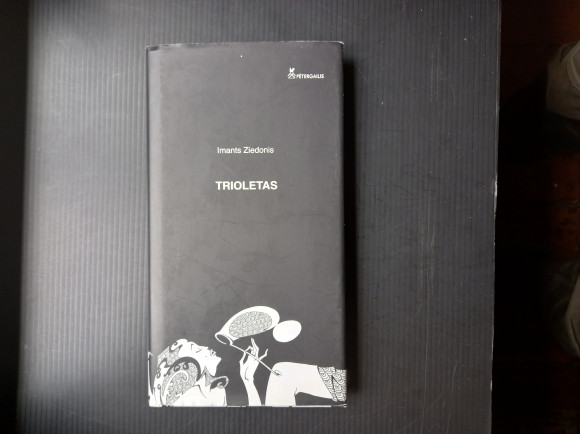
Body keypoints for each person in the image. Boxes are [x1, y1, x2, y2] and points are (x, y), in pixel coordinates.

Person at [149, 338, 264, 406]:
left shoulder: (218, 391)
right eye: (198, 350)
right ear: (189, 367)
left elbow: (254, 421)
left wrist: (248, 380)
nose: (206, 347)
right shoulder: (189, 398)